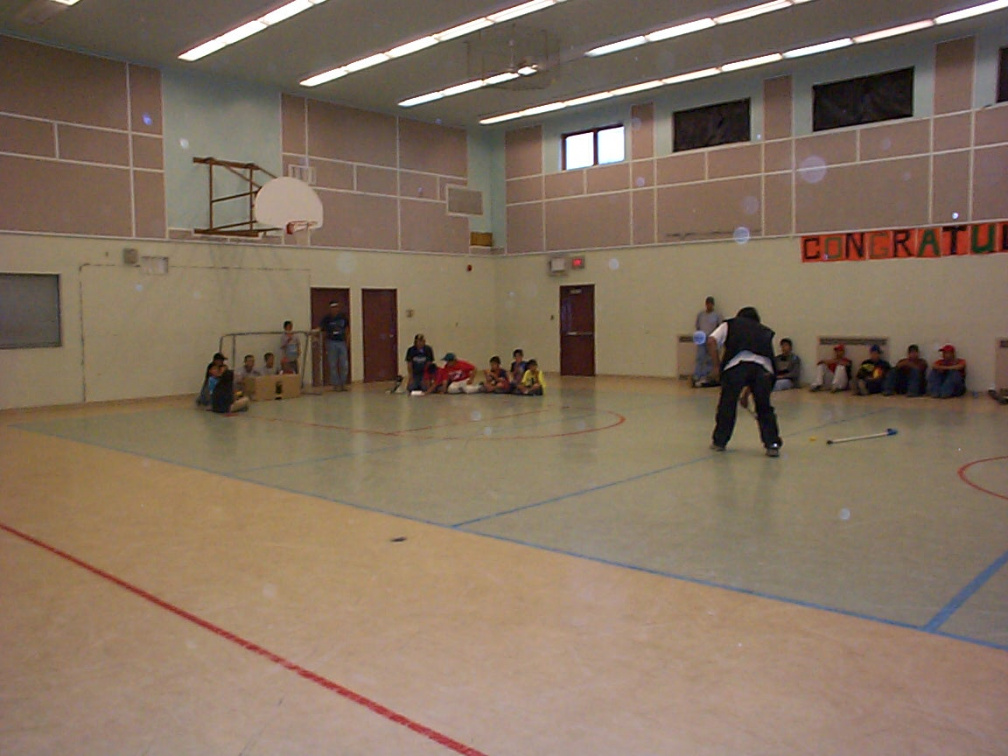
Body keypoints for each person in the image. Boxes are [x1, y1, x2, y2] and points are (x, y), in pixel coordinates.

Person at [706, 306, 782, 457]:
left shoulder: (730, 324)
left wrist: (716, 366)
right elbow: (758, 363)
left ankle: (719, 442)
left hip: (736, 367)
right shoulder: (764, 331)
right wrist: (747, 394)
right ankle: (772, 444)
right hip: (763, 371)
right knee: (764, 407)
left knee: (727, 404)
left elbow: (711, 341)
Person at [739, 337, 801, 408]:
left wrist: (782, 376)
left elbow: (795, 373)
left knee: (778, 384)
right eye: (782, 346)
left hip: (788, 380)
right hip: (776, 377)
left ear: (790, 347)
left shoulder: (795, 359)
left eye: (786, 346)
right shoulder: (777, 359)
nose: (784, 348)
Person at [319, 301, 349, 391]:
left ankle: (343, 383)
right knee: (333, 364)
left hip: (342, 342)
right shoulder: (327, 319)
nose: (335, 309)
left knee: (344, 364)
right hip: (331, 342)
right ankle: (336, 384)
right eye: (333, 307)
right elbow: (322, 329)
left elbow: (347, 329)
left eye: (336, 307)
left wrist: (347, 341)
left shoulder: (343, 317)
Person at [693, 296, 722, 387]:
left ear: (713, 305)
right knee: (700, 357)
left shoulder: (717, 315)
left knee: (709, 358)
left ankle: (706, 376)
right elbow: (697, 325)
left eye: (710, 304)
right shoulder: (701, 315)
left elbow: (719, 327)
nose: (709, 306)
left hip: (711, 338)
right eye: (707, 304)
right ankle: (697, 376)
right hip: (701, 337)